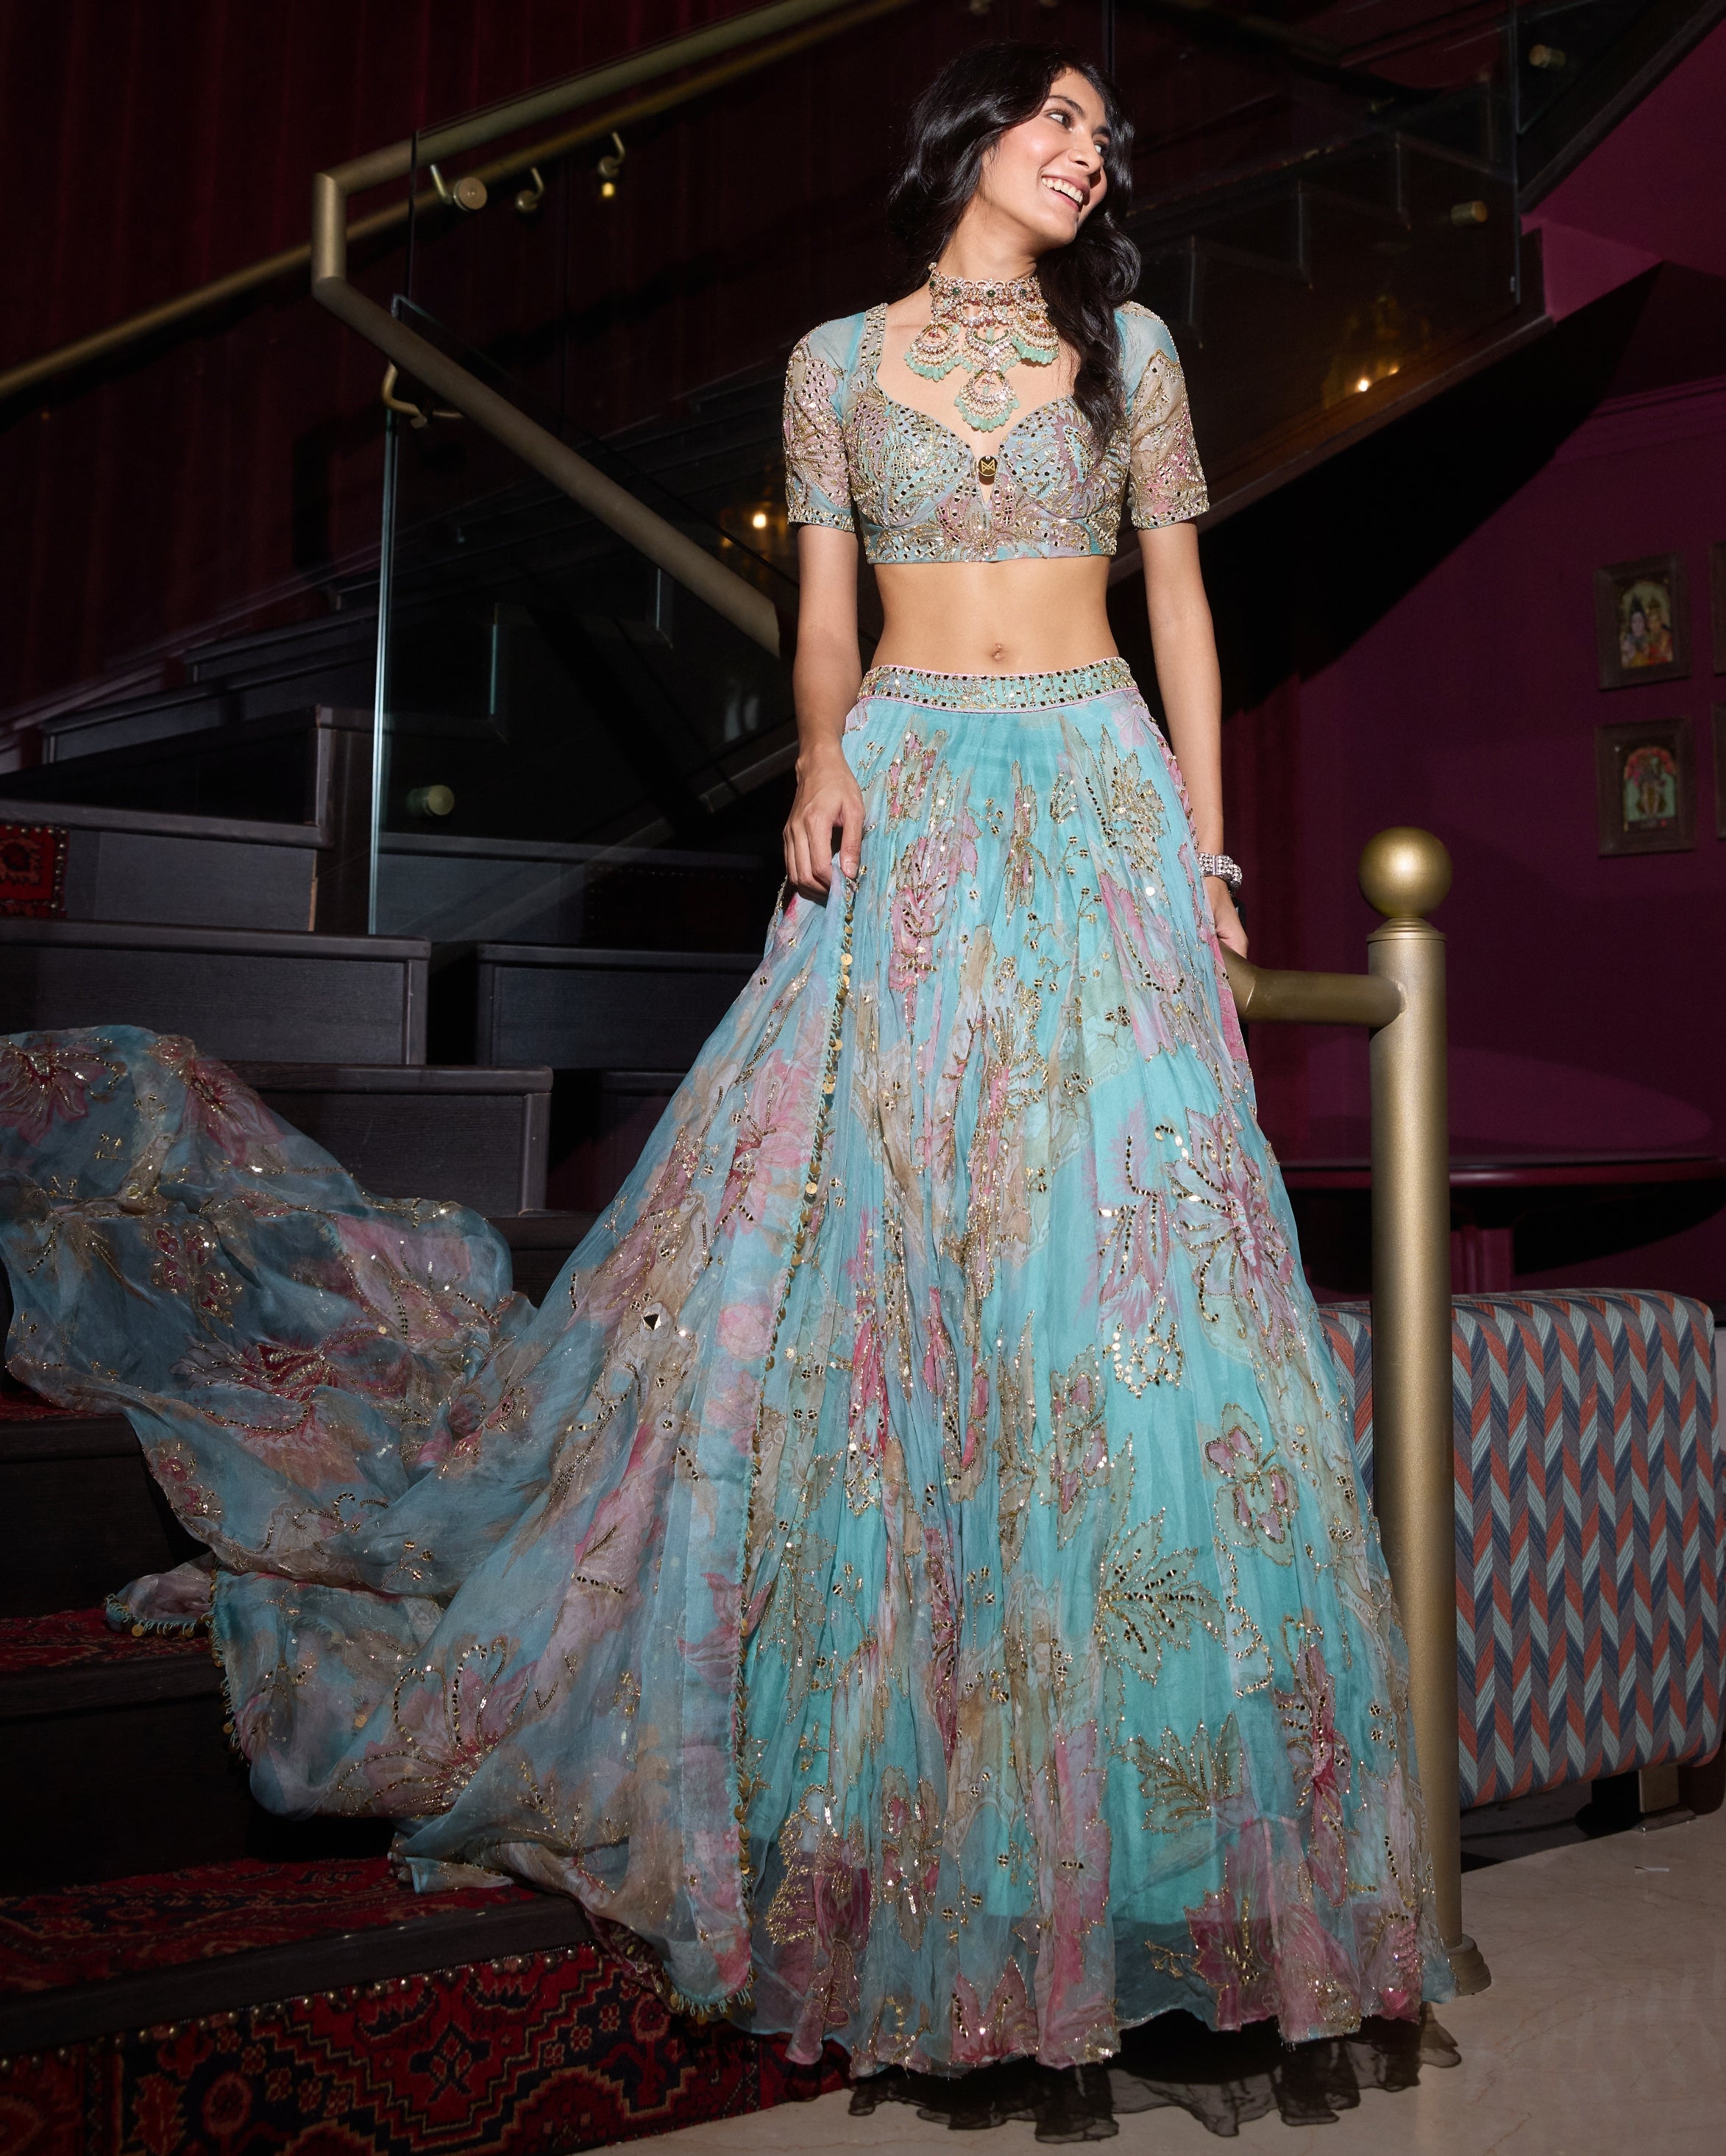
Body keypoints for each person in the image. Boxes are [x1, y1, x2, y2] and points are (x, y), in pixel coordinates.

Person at [0, 40, 1451, 2080]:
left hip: (1094, 809)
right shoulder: (832, 363)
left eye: (1102, 135)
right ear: (966, 135)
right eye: (1053, 116)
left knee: (1122, 1292)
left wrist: (1204, 848)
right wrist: (824, 758)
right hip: (913, 805)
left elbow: (1186, 610)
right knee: (893, 1270)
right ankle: (903, 1811)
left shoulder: (1129, 350)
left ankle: (1125, 1857)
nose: (1084, 152)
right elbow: (823, 618)